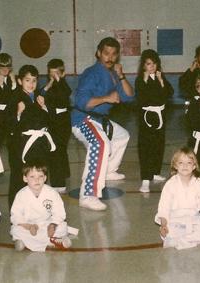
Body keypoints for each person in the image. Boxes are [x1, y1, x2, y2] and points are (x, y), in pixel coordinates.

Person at [71, 37, 134, 211]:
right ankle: (88, 194)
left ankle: (108, 170)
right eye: (106, 53)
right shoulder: (91, 73)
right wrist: (106, 98)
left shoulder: (114, 74)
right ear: (99, 53)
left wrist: (121, 76)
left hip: (99, 120)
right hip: (83, 119)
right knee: (99, 143)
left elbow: (129, 96)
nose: (110, 57)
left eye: (114, 54)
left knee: (122, 136)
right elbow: (81, 102)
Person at [5, 65, 54, 207]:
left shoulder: (40, 97)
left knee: (40, 176)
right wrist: (18, 114)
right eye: (27, 80)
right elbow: (8, 125)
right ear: (20, 81)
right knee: (19, 178)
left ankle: (42, 208)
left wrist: (45, 107)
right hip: (20, 146)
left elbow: (50, 121)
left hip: (39, 145)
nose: (31, 84)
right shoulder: (15, 98)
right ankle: (16, 213)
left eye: (34, 80)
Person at [155, 147, 200, 250]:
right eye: (181, 163)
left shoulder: (199, 183)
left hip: (194, 218)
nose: (185, 166)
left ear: (194, 166)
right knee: (169, 232)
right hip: (175, 219)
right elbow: (164, 206)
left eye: (189, 163)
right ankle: (191, 239)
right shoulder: (170, 184)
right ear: (175, 166)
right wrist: (164, 224)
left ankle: (184, 240)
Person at [10, 161, 73, 251]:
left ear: (45, 178)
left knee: (62, 226)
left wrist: (53, 225)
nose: (37, 180)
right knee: (16, 229)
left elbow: (59, 213)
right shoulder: (21, 195)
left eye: (40, 176)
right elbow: (16, 216)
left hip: (46, 224)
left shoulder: (52, 193)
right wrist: (29, 226)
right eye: (32, 177)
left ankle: (28, 242)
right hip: (29, 226)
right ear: (25, 178)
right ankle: (53, 242)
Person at [135, 49, 174, 192]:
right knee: (146, 146)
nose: (152, 67)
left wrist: (161, 81)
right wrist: (145, 80)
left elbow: (169, 93)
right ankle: (145, 178)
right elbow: (142, 98)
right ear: (144, 66)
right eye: (148, 64)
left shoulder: (160, 77)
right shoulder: (140, 80)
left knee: (159, 143)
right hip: (147, 116)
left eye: (154, 64)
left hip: (160, 116)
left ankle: (155, 172)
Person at [41, 59, 73, 193]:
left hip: (63, 121)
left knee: (58, 150)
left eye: (57, 74)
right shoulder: (49, 85)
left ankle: (58, 183)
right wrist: (50, 83)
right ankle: (63, 173)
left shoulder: (64, 86)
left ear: (63, 73)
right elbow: (41, 94)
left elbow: (65, 94)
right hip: (51, 120)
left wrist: (58, 81)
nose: (53, 77)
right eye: (51, 74)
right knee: (56, 150)